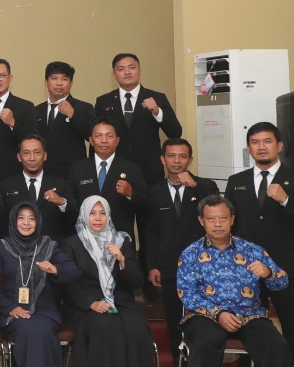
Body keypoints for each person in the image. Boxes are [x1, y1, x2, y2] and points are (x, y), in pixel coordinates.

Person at [176, 195, 294, 367]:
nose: (217, 224)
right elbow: (186, 295)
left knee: (277, 345)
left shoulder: (252, 250)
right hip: (206, 315)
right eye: (211, 219)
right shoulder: (190, 254)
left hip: (249, 315)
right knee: (205, 343)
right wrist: (218, 313)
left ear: (232, 219)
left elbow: (282, 283)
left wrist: (268, 272)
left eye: (223, 218)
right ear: (201, 221)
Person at [223, 122, 294, 367]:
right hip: (246, 269)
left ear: (279, 146)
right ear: (249, 148)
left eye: (267, 141)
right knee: (249, 323)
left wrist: (286, 199)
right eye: (255, 142)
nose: (262, 147)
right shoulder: (237, 181)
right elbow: (230, 223)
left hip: (287, 266)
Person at [61, 195, 157, 367]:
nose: (98, 218)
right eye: (92, 213)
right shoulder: (72, 243)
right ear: (84, 216)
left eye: (102, 213)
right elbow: (67, 282)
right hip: (86, 304)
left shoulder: (121, 241)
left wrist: (123, 260)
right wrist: (91, 303)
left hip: (120, 301)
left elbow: (136, 282)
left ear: (109, 216)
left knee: (136, 327)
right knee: (104, 327)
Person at [0, 202, 80, 367]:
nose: (26, 223)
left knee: (42, 329)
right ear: (13, 221)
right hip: (14, 311)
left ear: (38, 221)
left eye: (31, 218)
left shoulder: (49, 246)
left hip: (45, 310)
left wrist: (55, 269)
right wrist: (9, 308)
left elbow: (74, 272)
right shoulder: (1, 247)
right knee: (30, 329)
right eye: (21, 218)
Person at [144, 137, 218, 367]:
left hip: (202, 268)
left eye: (182, 156)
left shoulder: (205, 186)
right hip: (169, 268)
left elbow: (218, 213)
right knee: (175, 323)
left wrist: (195, 187)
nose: (177, 161)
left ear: (190, 160)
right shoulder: (154, 191)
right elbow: (151, 232)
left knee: (202, 322)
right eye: (171, 156)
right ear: (162, 159)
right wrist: (153, 265)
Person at [93, 52, 183, 253]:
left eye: (131, 67)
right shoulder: (103, 101)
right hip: (116, 174)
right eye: (121, 69)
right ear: (114, 74)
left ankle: (150, 269)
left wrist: (157, 111)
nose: (127, 72)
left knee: (149, 228)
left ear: (140, 71)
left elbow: (175, 132)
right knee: (117, 226)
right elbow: (97, 140)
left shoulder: (157, 98)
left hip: (148, 174)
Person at [70, 120, 153, 258]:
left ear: (117, 141)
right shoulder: (78, 169)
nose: (104, 140)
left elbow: (146, 206)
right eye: (99, 136)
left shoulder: (131, 169)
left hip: (120, 242)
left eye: (109, 136)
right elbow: (72, 204)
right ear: (91, 140)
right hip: (85, 242)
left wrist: (131, 193)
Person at [0, 135, 74, 242]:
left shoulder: (61, 185)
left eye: (37, 152)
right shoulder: (6, 186)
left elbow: (75, 218)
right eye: (26, 153)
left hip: (53, 248)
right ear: (19, 157)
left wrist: (61, 203)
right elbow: (0, 223)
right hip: (17, 248)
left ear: (45, 155)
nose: (32, 158)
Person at [0, 58, 36, 181]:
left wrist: (13, 123)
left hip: (14, 174)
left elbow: (33, 140)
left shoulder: (26, 106)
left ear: (10, 78)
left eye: (1, 76)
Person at [35, 61, 96, 177]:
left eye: (64, 79)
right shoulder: (37, 110)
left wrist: (73, 114)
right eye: (54, 78)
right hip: (42, 172)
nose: (59, 83)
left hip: (72, 173)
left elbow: (93, 135)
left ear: (71, 83)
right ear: (46, 83)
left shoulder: (83, 107)